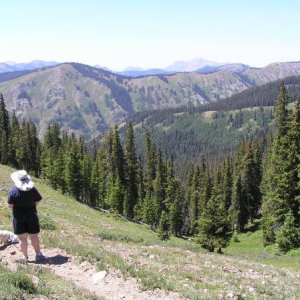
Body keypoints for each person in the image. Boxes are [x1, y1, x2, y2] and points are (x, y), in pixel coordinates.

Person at [7, 170, 45, 262]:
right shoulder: (33, 189)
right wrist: (32, 207)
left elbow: (10, 205)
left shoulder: (13, 191)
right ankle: (38, 255)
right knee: (34, 236)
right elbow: (38, 200)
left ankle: (25, 257)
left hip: (18, 217)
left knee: (22, 238)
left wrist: (16, 211)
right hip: (32, 215)